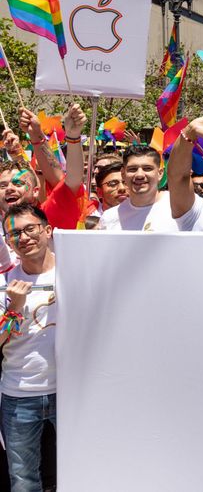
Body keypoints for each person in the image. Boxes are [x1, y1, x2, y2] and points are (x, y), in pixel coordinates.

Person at [0, 204, 58, 492]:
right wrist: (15, 307)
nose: (23, 238)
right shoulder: (4, 283)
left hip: (72, 391)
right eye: (14, 234)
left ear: (47, 230)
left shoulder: (75, 272)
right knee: (24, 480)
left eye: (29, 229)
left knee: (79, 470)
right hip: (19, 395)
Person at [0, 104, 87, 230]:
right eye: (2, 185)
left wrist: (73, 137)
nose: (9, 189)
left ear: (36, 191)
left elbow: (73, 178)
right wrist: (17, 153)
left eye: (18, 183)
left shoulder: (47, 218)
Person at [97, 145, 179, 232]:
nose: (139, 175)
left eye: (147, 168)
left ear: (160, 173)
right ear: (123, 174)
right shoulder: (109, 218)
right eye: (132, 169)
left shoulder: (180, 206)